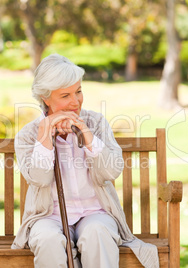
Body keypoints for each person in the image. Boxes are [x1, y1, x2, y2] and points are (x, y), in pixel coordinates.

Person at [11, 54, 159, 268]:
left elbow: (110, 172)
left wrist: (88, 136)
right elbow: (40, 179)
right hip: (48, 216)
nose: (75, 101)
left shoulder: (96, 123)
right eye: (65, 95)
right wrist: (44, 136)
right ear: (46, 98)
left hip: (95, 213)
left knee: (97, 233)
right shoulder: (28, 135)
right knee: (47, 239)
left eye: (78, 91)